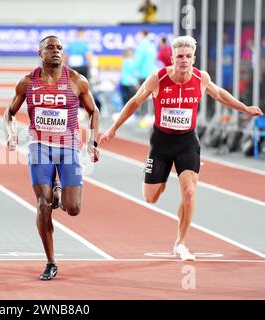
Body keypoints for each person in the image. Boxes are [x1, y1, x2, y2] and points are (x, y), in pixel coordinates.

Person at [99, 36, 262, 261]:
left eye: (187, 57)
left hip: (187, 143)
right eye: (179, 57)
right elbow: (135, 101)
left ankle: (181, 243)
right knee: (151, 198)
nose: (183, 61)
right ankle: (160, 175)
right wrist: (113, 129)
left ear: (193, 58)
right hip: (161, 143)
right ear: (172, 58)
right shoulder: (158, 78)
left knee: (189, 192)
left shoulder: (201, 78)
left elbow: (220, 94)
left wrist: (243, 108)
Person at [4, 35, 99, 280]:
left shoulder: (77, 80)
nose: (56, 51)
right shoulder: (27, 82)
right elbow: (9, 113)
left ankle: (59, 186)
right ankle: (51, 261)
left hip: (68, 148)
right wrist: (11, 134)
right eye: (50, 48)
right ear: (40, 52)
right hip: (40, 147)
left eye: (59, 48)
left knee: (73, 208)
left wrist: (93, 141)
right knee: (43, 204)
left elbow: (93, 111)